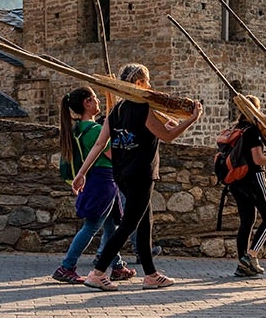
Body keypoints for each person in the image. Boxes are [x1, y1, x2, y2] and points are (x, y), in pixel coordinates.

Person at [72, 63, 203, 291]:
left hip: (121, 173)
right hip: (141, 172)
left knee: (144, 222)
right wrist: (191, 119)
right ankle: (98, 271)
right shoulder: (143, 108)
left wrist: (81, 172)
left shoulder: (117, 110)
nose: (150, 85)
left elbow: (100, 144)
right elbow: (168, 135)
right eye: (147, 81)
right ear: (139, 83)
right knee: (130, 223)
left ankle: (151, 275)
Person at [51, 87, 135, 284]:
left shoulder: (79, 128)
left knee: (111, 226)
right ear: (87, 103)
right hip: (103, 179)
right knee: (91, 226)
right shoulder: (95, 130)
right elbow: (113, 155)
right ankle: (66, 266)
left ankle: (117, 265)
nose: (98, 101)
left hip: (98, 179)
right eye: (95, 98)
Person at [227, 95, 266, 278]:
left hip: (236, 181)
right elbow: (258, 159)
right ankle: (251, 255)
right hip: (254, 177)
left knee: (247, 221)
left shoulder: (236, 129)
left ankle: (242, 264)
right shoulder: (253, 131)